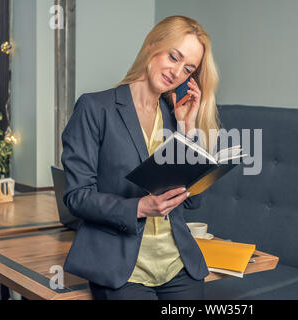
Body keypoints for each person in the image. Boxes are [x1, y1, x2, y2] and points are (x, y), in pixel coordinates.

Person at [61, 15, 221, 300]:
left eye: (188, 69)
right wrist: (139, 207)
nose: (176, 72)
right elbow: (77, 196)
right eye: (174, 56)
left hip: (177, 266)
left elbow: (195, 201)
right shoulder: (96, 108)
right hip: (122, 270)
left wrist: (188, 129)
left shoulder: (176, 118)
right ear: (152, 45)